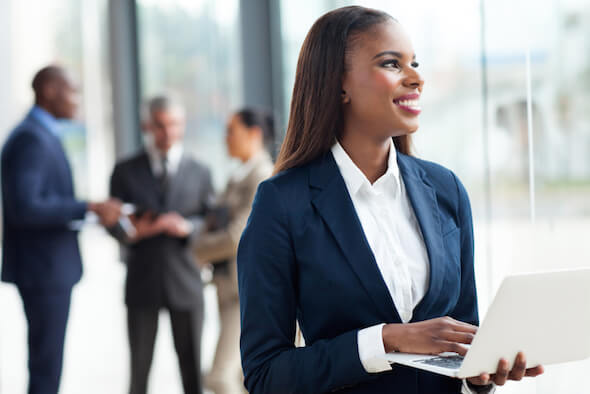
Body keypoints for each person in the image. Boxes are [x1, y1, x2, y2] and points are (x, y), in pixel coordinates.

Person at [237, 7, 544, 394]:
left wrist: (481, 375)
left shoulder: (446, 189)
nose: (416, 78)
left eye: (414, 63)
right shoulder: (282, 203)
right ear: (339, 84)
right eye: (392, 64)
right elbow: (265, 375)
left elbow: (464, 339)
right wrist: (385, 341)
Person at [0, 65, 122, 394]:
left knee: (46, 363)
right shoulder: (31, 139)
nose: (78, 101)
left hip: (45, 269)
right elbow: (25, 207)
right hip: (43, 271)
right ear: (49, 91)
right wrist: (87, 207)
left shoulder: (39, 134)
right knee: (46, 368)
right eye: (73, 91)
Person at [108, 95, 213, 394]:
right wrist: (135, 231)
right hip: (143, 281)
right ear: (147, 126)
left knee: (193, 372)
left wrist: (185, 227)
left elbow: (209, 219)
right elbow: (114, 224)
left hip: (186, 280)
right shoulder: (125, 170)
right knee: (139, 372)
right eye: (161, 126)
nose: (168, 133)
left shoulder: (201, 171)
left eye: (175, 125)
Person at [193, 108, 274, 394]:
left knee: (219, 376)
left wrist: (194, 249)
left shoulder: (261, 175)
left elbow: (235, 237)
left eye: (231, 131)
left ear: (254, 134)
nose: (225, 138)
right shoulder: (238, 176)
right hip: (228, 288)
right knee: (243, 376)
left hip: (245, 294)